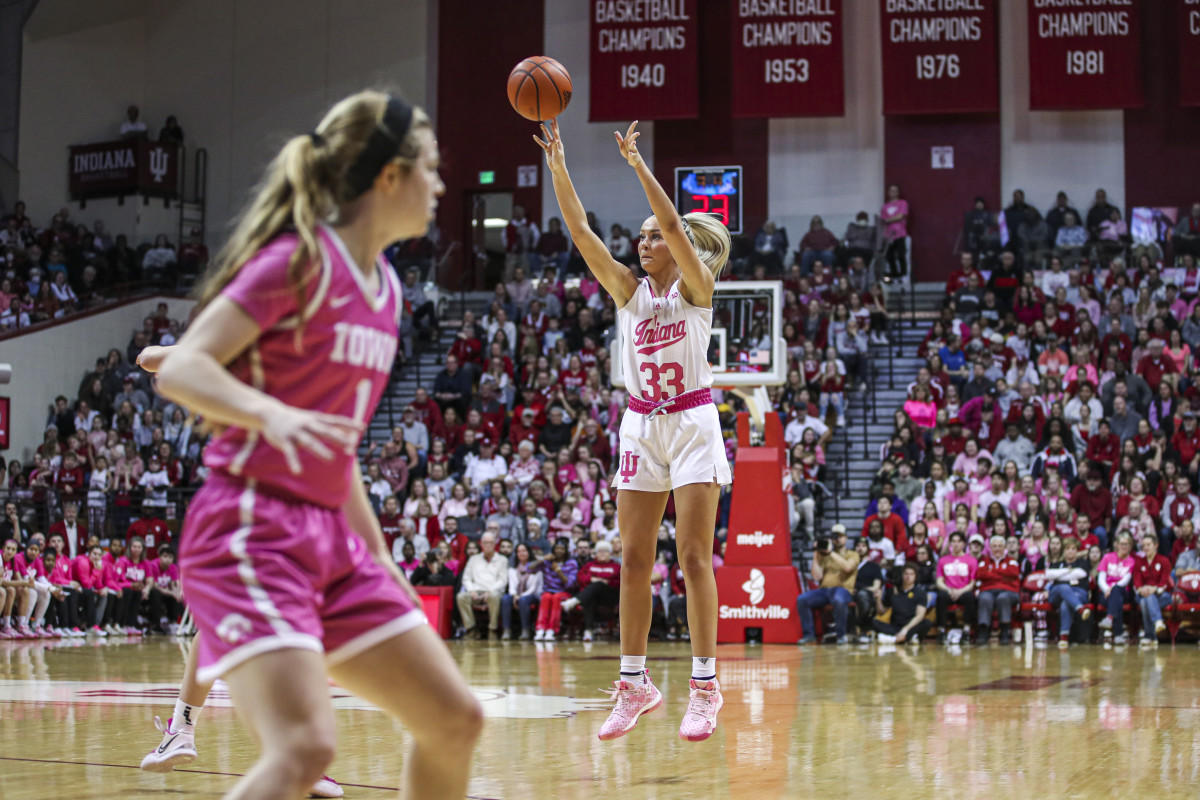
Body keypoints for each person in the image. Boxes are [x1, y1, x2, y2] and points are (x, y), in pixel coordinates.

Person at [142, 91, 481, 800]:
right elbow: (182, 365)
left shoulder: (386, 290)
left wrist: (382, 558)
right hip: (248, 528)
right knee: (305, 747)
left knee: (454, 719)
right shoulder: (298, 260)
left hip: (331, 538)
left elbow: (337, 451)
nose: (441, 184)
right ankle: (184, 720)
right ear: (388, 176)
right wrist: (273, 416)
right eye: (430, 167)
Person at [537, 118, 731, 742]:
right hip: (642, 425)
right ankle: (634, 682)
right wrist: (559, 165)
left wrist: (636, 165)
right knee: (633, 559)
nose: (644, 243)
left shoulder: (698, 291)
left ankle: (705, 686)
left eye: (652, 238)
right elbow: (581, 232)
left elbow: (675, 225)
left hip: (694, 421)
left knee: (695, 557)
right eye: (641, 237)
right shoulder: (628, 293)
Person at [796, 526, 859, 644]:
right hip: (824, 591)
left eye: (840, 536)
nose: (837, 539)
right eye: (834, 536)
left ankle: (841, 635)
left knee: (838, 599)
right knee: (802, 599)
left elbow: (847, 567)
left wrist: (831, 553)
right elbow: (816, 577)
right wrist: (816, 556)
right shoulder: (824, 555)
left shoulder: (852, 554)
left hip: (843, 590)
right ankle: (809, 635)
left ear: (846, 538)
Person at [455, 530, 508, 639]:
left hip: (493, 592)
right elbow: (466, 578)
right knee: (461, 597)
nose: (488, 545)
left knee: (494, 596)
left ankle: (492, 629)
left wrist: (490, 591)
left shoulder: (502, 560)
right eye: (485, 542)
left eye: (490, 542)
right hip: (476, 591)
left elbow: (503, 581)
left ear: (495, 544)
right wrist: (471, 590)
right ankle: (471, 629)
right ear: (481, 544)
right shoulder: (473, 559)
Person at [975, 534, 1020, 645]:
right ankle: (984, 631)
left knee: (1003, 597)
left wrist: (991, 573)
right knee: (984, 598)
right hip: (988, 591)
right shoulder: (984, 561)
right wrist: (1002, 575)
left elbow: (1013, 574)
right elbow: (980, 575)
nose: (997, 549)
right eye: (994, 546)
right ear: (990, 548)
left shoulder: (1011, 561)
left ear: (1005, 548)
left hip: (1009, 591)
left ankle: (1005, 630)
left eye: (1000, 546)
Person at [935, 531, 977, 644]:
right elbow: (939, 581)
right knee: (940, 597)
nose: (956, 544)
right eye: (953, 541)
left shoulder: (971, 560)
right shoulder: (943, 560)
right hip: (948, 590)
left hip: (964, 590)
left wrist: (960, 591)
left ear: (964, 544)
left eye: (959, 541)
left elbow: (972, 583)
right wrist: (949, 590)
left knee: (969, 597)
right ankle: (941, 631)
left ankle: (967, 631)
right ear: (950, 544)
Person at [872, 563, 931, 644]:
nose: (908, 576)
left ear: (915, 576)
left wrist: (905, 630)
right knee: (873, 622)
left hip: (911, 626)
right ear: (902, 575)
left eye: (911, 574)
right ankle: (908, 639)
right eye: (906, 573)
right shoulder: (892, 591)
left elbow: (920, 615)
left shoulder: (920, 593)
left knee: (927, 623)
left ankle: (894, 639)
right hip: (895, 627)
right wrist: (878, 599)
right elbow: (881, 612)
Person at [1096, 532, 1137, 645]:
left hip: (1124, 592)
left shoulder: (1132, 561)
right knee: (1116, 599)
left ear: (1130, 546)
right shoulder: (1107, 557)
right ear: (1117, 545)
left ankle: (1109, 618)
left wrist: (1113, 588)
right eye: (1122, 544)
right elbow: (1101, 578)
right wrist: (1107, 590)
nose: (1124, 547)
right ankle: (1118, 634)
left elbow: (1125, 581)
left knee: (1117, 591)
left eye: (1127, 544)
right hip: (1105, 593)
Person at [1132, 532, 1172, 648]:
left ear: (1156, 545)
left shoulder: (1164, 560)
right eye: (1143, 545)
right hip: (1142, 593)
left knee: (1146, 601)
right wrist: (1140, 589)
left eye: (1148, 545)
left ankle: (1150, 636)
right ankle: (1158, 622)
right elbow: (1137, 579)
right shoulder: (1139, 561)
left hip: (1162, 595)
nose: (1146, 548)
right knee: (1146, 599)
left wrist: (1153, 589)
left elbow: (1164, 581)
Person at [534, 539, 578, 641]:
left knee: (556, 598)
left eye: (562, 549)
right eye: (557, 548)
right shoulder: (548, 562)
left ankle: (552, 630)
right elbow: (529, 568)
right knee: (546, 597)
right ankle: (540, 629)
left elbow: (569, 584)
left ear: (566, 551)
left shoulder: (572, 563)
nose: (559, 551)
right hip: (548, 590)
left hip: (564, 592)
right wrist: (543, 558)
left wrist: (558, 570)